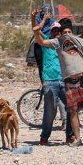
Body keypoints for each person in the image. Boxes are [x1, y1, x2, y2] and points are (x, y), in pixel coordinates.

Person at [33, 19, 83, 147]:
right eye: (65, 32)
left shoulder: (79, 40)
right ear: (61, 34)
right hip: (69, 80)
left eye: (69, 31)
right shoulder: (58, 42)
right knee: (73, 111)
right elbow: (41, 41)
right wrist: (36, 32)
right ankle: (78, 139)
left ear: (72, 32)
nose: (67, 34)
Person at [30, 9, 76, 145]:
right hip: (49, 81)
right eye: (54, 31)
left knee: (71, 107)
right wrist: (38, 19)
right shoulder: (46, 43)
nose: (56, 33)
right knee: (50, 110)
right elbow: (35, 30)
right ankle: (44, 137)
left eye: (58, 31)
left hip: (64, 80)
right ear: (50, 32)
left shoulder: (64, 44)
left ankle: (70, 135)